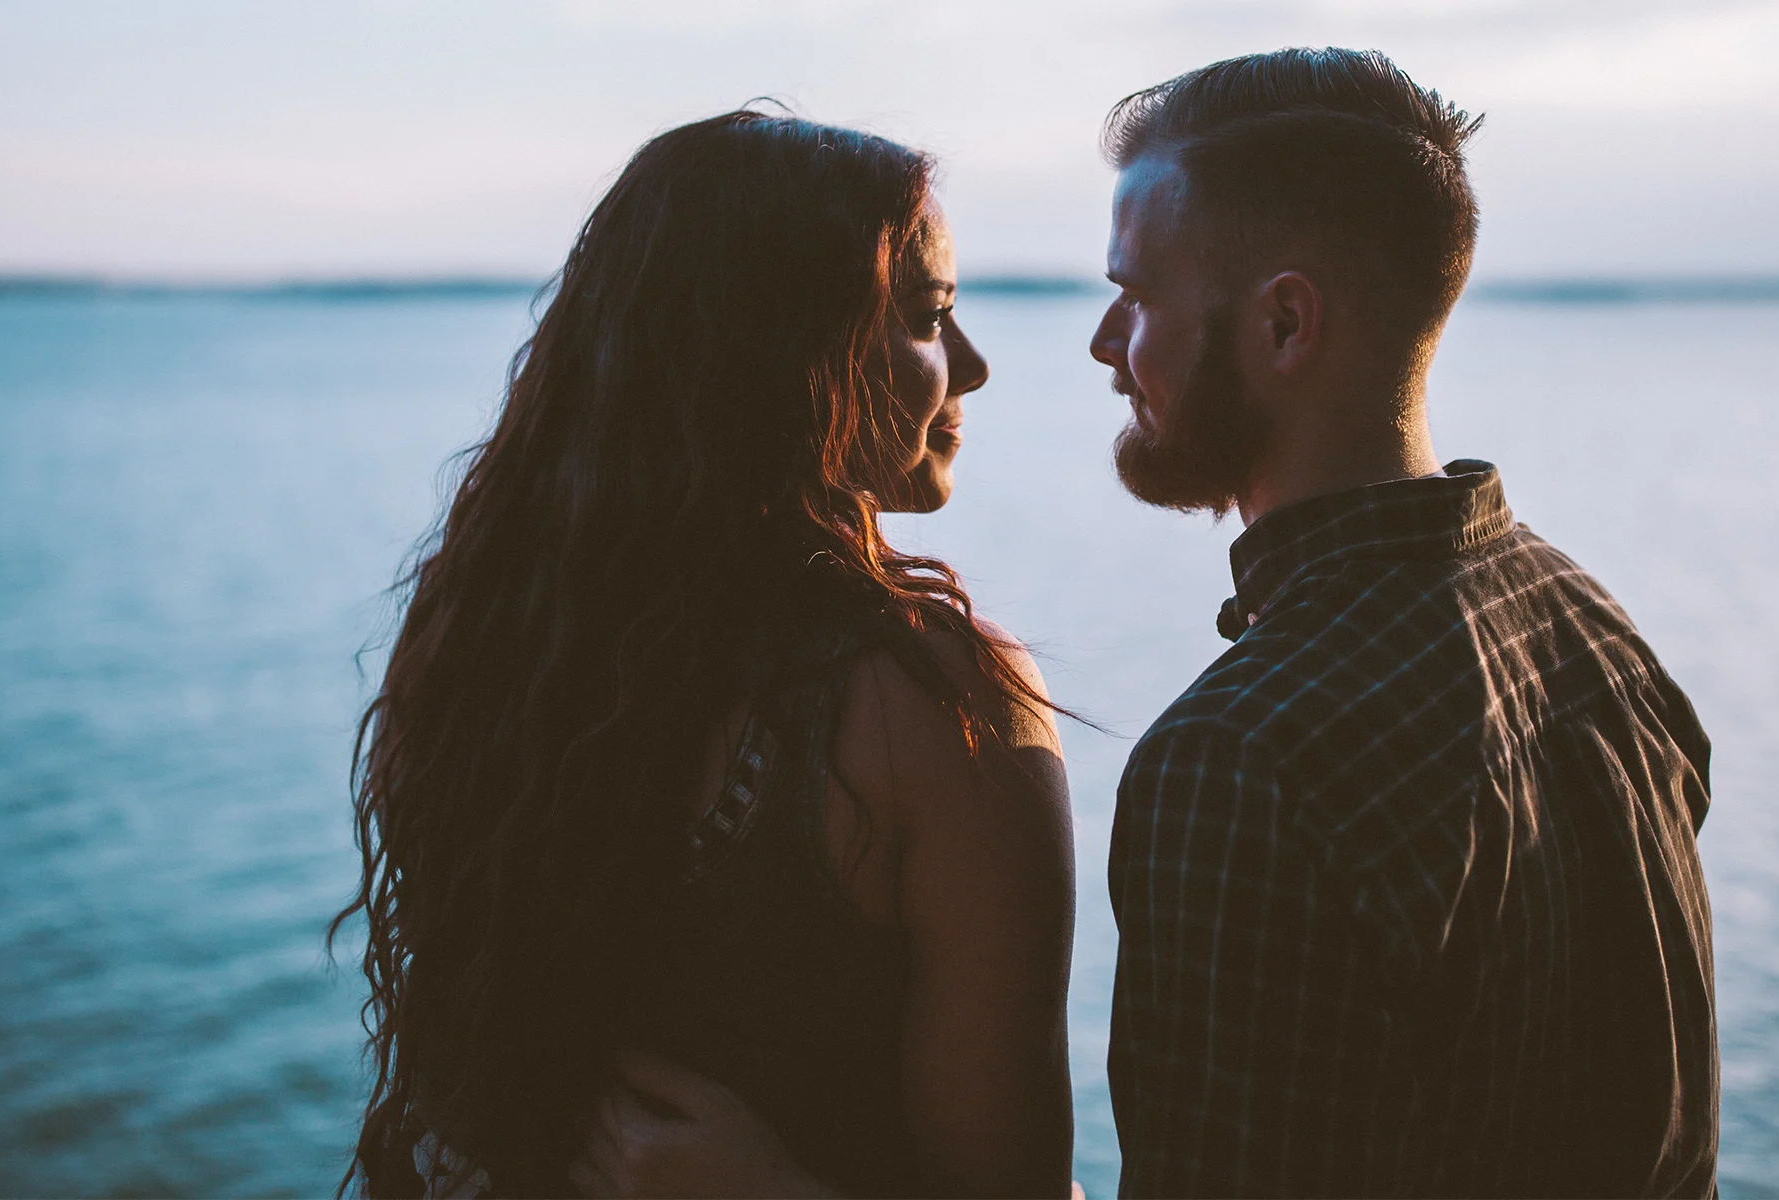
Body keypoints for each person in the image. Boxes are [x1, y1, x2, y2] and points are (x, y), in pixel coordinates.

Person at [575, 46, 1719, 1200]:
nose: (1104, 344)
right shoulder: (1597, 633)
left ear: (1284, 325)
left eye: (1137, 297)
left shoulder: (1245, 758)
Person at [333, 110, 1075, 1199]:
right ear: (789, 355)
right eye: (929, 318)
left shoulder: (474, 646)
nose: (973, 365)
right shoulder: (945, 711)